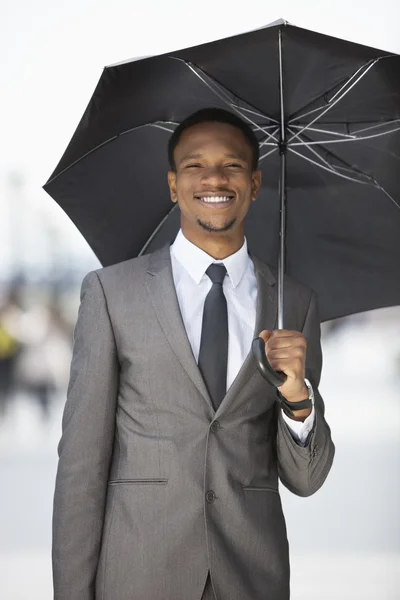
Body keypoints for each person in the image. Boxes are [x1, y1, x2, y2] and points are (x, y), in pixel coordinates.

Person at [52, 108, 335, 600]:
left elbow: (305, 480)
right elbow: (81, 464)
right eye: (194, 165)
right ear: (172, 184)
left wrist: (297, 395)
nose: (214, 178)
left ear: (254, 183)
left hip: (251, 576)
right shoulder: (111, 294)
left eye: (232, 165)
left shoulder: (295, 303)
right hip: (139, 573)